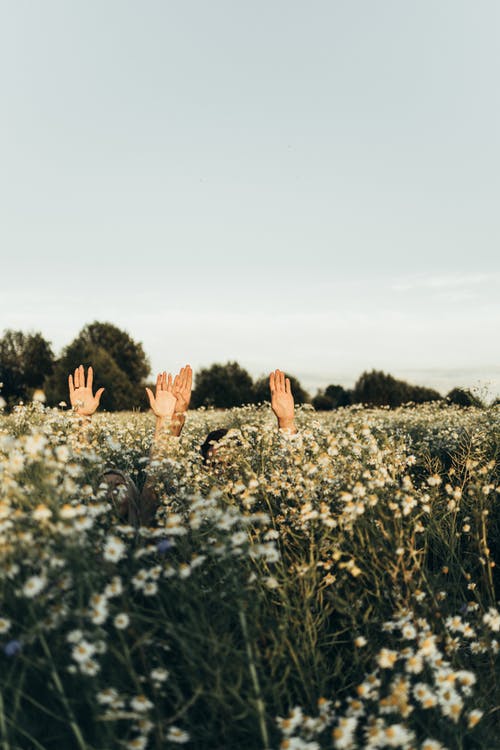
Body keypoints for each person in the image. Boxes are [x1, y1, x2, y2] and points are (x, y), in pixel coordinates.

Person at [68, 364, 192, 526]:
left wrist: (167, 421)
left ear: (135, 500)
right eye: (105, 485)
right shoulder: (85, 531)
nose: (111, 490)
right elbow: (84, 474)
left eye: (117, 484)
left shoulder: (143, 529)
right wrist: (82, 417)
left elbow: (154, 484)